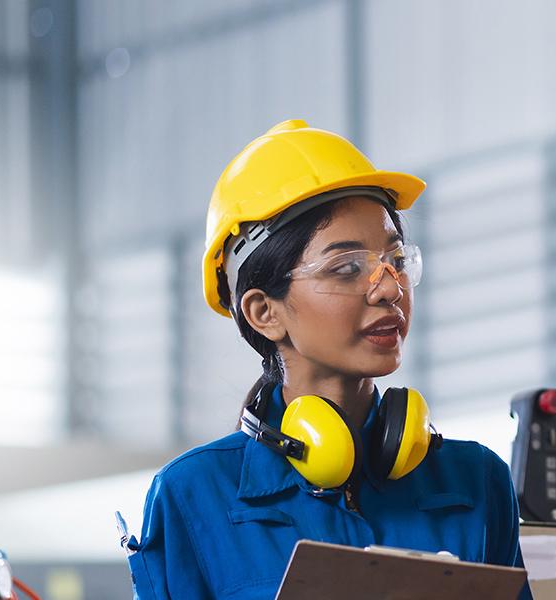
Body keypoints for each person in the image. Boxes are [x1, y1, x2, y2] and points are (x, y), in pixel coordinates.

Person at [124, 120, 532, 600]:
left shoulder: (476, 481)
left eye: (396, 261)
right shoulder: (194, 496)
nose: (388, 288)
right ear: (264, 312)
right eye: (346, 268)